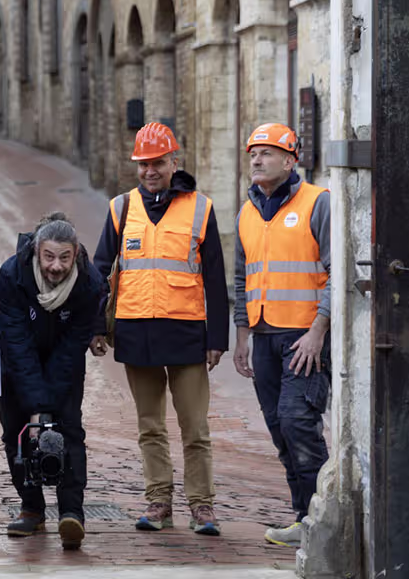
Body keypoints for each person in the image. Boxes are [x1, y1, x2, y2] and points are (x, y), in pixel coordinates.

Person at [91, 122, 229, 536]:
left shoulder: (200, 208)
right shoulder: (120, 209)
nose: (150, 170)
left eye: (158, 162)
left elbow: (216, 279)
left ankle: (202, 506)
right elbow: (100, 272)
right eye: (143, 164)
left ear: (174, 161)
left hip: (186, 332)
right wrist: (97, 327)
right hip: (136, 331)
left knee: (195, 428)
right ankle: (159, 502)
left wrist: (217, 339)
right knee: (149, 425)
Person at [232, 123, 331, 548]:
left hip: (302, 339)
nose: (256, 160)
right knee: (278, 427)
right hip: (263, 337)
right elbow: (242, 278)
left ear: (290, 161)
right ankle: (303, 517)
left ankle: (322, 518)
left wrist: (318, 331)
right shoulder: (247, 212)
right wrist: (241, 336)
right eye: (253, 153)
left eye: (267, 153)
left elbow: (334, 271)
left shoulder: (317, 203)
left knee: (297, 422)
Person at [0, 212, 101, 550]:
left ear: (76, 254)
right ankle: (32, 508)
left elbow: (72, 348)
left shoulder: (89, 283)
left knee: (68, 430)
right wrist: (36, 410)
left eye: (65, 258)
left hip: (64, 364)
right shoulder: (12, 274)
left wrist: (48, 407)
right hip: (17, 363)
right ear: (37, 251)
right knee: (18, 432)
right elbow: (16, 343)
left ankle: (72, 513)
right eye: (49, 257)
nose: (56, 266)